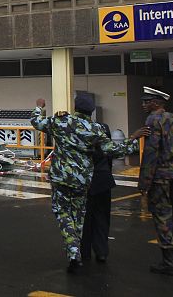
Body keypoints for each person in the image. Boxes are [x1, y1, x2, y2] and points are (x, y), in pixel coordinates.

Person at [31, 94, 148, 272]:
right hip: (82, 180)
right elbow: (114, 150)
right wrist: (133, 139)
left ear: (75, 107)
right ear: (92, 111)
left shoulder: (61, 121)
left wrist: (39, 107)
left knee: (63, 213)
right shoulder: (95, 129)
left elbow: (36, 122)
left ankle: (73, 252)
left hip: (60, 178)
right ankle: (76, 251)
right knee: (78, 217)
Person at [138, 86, 173, 276]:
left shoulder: (152, 120)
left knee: (162, 217)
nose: (143, 104)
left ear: (156, 103)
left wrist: (144, 182)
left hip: (161, 177)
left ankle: (168, 262)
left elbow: (151, 152)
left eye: (146, 101)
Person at [80, 119, 115, 264]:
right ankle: (101, 251)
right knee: (102, 218)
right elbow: (110, 159)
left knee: (85, 219)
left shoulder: (81, 135)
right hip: (103, 180)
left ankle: (85, 251)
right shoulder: (104, 135)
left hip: (86, 181)